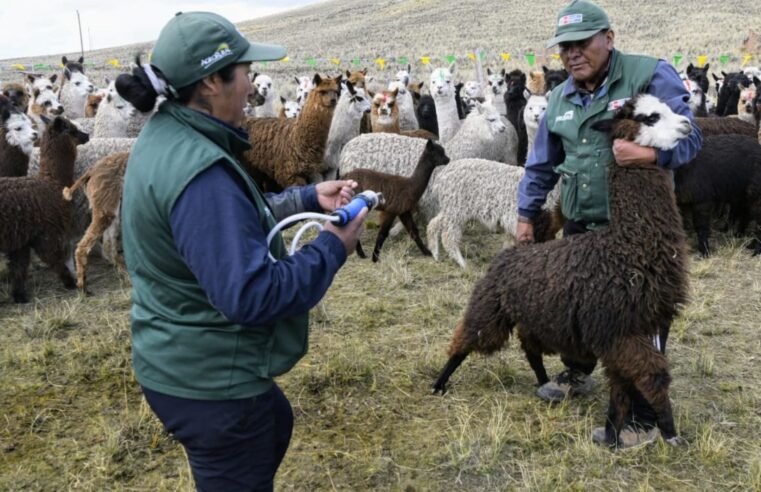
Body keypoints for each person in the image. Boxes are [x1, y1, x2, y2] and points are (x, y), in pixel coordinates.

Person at [115, 12, 367, 490]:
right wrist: (332, 247)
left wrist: (307, 198)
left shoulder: (169, 137)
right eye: (245, 69)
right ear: (212, 80)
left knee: (273, 422)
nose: (252, 82)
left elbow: (225, 220)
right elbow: (252, 296)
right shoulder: (201, 171)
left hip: (176, 359)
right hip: (209, 382)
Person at [516, 0, 703, 447]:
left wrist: (652, 155)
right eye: (565, 47)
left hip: (640, 235)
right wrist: (526, 214)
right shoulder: (560, 98)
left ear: (609, 38)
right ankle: (580, 371)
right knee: (585, 313)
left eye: (582, 43)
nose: (573, 54)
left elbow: (691, 134)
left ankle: (642, 417)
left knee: (641, 322)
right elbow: (540, 165)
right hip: (584, 229)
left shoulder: (648, 75)